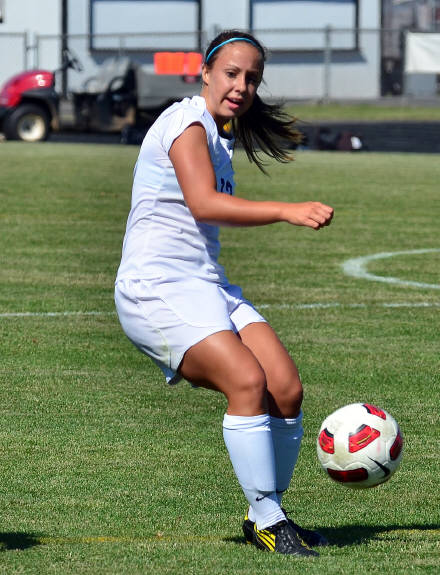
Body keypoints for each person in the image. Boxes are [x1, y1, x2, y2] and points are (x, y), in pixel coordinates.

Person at [114, 30, 334, 557]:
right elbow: (204, 204)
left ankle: (268, 513)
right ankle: (268, 519)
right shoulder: (184, 123)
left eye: (252, 79)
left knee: (285, 388)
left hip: (205, 284)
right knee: (247, 380)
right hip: (155, 287)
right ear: (206, 73)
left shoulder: (219, 135)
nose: (241, 86)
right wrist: (286, 210)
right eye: (232, 74)